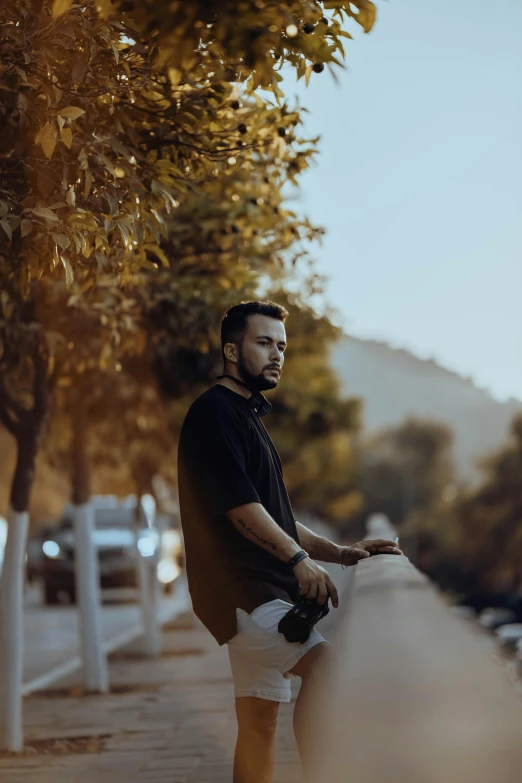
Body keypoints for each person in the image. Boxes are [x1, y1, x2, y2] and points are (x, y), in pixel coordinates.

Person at [178, 300, 401, 783]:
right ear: (232, 350)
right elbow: (240, 510)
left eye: (281, 346)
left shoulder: (246, 419)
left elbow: (275, 518)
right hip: (246, 593)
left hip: (258, 592)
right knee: (325, 670)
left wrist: (340, 553)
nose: (277, 354)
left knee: (258, 725)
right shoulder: (214, 413)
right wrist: (299, 561)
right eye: (264, 343)